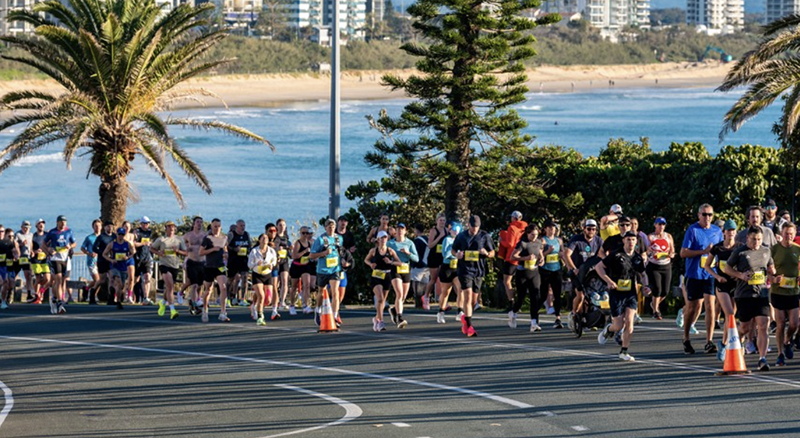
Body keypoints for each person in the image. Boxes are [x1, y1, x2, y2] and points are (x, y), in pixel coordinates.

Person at [723, 226, 775, 371]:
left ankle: (762, 359)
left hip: (761, 294)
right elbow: (727, 268)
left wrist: (773, 275)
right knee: (745, 327)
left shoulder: (766, 251)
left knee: (763, 325)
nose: (756, 242)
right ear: (747, 238)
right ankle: (734, 341)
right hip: (744, 295)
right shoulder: (740, 252)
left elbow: (770, 268)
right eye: (753, 239)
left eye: (759, 239)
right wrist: (740, 275)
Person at [596, 231, 651, 362]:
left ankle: (624, 351)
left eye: (633, 240)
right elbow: (599, 267)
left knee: (630, 321)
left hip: (630, 293)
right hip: (616, 293)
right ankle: (608, 329)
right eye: (628, 240)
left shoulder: (637, 258)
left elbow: (643, 274)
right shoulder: (616, 255)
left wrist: (646, 286)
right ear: (624, 241)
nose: (631, 242)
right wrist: (609, 281)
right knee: (618, 325)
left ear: (636, 242)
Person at [679, 203, 722, 355]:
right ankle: (686, 337)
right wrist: (703, 252)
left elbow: (720, 250)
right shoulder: (693, 230)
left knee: (710, 306)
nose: (707, 217)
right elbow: (683, 253)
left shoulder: (717, 231)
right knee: (693, 307)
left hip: (710, 274)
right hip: (694, 274)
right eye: (704, 214)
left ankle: (709, 341)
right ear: (699, 215)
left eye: (710, 214)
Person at [451, 215, 495, 337]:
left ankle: (466, 319)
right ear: (468, 225)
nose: (475, 229)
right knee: (468, 295)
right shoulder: (461, 236)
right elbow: (453, 250)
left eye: (477, 227)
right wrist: (457, 255)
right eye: (473, 226)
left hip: (478, 270)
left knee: (473, 301)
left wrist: (487, 253)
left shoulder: (485, 236)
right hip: (465, 270)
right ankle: (470, 327)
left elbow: (493, 252)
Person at [704, 219, 739, 358]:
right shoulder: (717, 248)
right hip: (722, 284)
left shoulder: (739, 247)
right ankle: (726, 345)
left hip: (735, 284)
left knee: (732, 317)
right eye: (728, 230)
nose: (731, 233)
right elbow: (707, 265)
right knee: (729, 314)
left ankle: (724, 343)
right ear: (724, 232)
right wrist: (717, 277)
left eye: (733, 230)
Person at [769, 222, 800, 367]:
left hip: (793, 291)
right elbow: (766, 269)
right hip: (778, 291)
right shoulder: (774, 249)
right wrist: (773, 279)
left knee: (794, 324)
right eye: (786, 233)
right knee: (780, 323)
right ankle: (780, 354)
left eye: (791, 234)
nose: (789, 236)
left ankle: (787, 340)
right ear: (782, 233)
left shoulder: (797, 249)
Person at [565, 219, 603, 326]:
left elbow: (603, 254)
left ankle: (592, 317)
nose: (591, 231)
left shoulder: (599, 240)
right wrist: (573, 268)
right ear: (584, 229)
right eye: (589, 229)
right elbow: (567, 254)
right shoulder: (576, 239)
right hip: (577, 271)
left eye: (594, 229)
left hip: (591, 272)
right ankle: (573, 314)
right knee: (580, 295)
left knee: (594, 295)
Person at [510, 224, 544, 331]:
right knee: (521, 297)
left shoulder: (538, 242)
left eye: (536, 235)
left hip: (534, 272)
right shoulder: (523, 243)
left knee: (535, 297)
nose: (534, 237)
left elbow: (540, 253)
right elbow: (512, 257)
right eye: (532, 235)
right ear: (527, 233)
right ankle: (513, 312)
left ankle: (534, 323)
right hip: (522, 273)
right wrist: (526, 258)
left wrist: (542, 259)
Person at [365, 230, 401, 331]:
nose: (383, 239)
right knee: (380, 299)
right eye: (381, 238)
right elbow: (366, 260)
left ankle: (376, 318)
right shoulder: (373, 251)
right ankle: (381, 321)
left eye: (385, 237)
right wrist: (370, 264)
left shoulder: (390, 251)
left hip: (387, 276)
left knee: (383, 301)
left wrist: (390, 262)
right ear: (378, 239)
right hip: (376, 276)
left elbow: (400, 263)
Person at [310, 218, 344, 325]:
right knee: (321, 292)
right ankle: (318, 310)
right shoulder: (320, 240)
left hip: (335, 269)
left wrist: (343, 260)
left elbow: (341, 251)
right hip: (323, 270)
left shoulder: (339, 238)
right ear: (325, 228)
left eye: (333, 227)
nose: (331, 229)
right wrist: (323, 253)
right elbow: (311, 255)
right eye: (329, 227)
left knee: (335, 292)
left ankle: (334, 316)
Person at [152, 221, 187, 320]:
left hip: (175, 266)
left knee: (168, 288)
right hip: (164, 265)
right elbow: (152, 248)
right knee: (170, 286)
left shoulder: (179, 239)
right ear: (166, 228)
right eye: (169, 227)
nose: (171, 229)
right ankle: (172, 310)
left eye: (173, 227)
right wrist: (159, 253)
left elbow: (186, 253)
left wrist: (177, 251)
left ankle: (163, 302)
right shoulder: (161, 239)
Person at [388, 223, 419, 329]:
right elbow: (382, 252)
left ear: (405, 231)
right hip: (395, 269)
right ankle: (400, 318)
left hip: (405, 268)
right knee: (399, 293)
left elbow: (416, 259)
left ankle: (394, 310)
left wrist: (408, 253)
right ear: (395, 231)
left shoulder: (409, 243)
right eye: (398, 229)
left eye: (402, 229)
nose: (400, 231)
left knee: (403, 297)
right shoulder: (390, 243)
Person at [199, 218, 230, 323]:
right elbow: (201, 252)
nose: (217, 228)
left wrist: (226, 255)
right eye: (215, 226)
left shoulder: (224, 238)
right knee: (208, 290)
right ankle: (205, 310)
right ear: (211, 227)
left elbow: (225, 249)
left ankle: (223, 312)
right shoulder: (207, 238)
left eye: (219, 226)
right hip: (209, 266)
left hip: (220, 266)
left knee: (223, 287)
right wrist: (212, 249)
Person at [43, 215, 76, 315]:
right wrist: (48, 250)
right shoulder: (52, 232)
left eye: (65, 222)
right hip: (55, 259)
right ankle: (60, 303)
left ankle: (53, 299)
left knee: (60, 281)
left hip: (65, 258)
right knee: (58, 280)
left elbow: (74, 243)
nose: (63, 224)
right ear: (57, 222)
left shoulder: (69, 231)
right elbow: (43, 244)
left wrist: (70, 246)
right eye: (61, 222)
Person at [498, 211, 528, 313]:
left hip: (511, 258)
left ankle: (512, 303)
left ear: (514, 218)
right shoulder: (525, 228)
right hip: (522, 258)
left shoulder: (512, 228)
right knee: (520, 282)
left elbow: (510, 244)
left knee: (507, 281)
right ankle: (519, 304)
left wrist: (501, 241)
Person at [646, 217, 675, 320]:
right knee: (657, 289)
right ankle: (655, 311)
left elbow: (672, 251)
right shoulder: (651, 237)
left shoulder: (668, 236)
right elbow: (647, 250)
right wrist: (651, 253)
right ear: (655, 225)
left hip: (666, 265)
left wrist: (671, 255)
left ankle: (654, 304)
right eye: (659, 224)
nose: (661, 226)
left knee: (665, 291)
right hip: (654, 266)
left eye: (663, 224)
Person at [103, 227, 135, 310]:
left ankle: (113, 291)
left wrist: (128, 257)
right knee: (119, 282)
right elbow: (104, 254)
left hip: (123, 267)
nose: (120, 236)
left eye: (122, 234)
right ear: (117, 234)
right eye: (119, 234)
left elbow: (133, 252)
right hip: (114, 267)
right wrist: (111, 260)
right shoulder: (112, 244)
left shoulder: (127, 244)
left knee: (121, 286)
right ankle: (118, 302)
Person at [248, 232, 277, 326]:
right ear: (259, 240)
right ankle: (260, 316)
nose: (265, 239)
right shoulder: (254, 251)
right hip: (257, 274)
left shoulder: (271, 251)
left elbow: (274, 260)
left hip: (267, 274)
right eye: (263, 238)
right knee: (261, 295)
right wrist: (256, 264)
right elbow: (249, 265)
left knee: (268, 300)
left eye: (266, 238)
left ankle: (254, 305)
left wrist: (272, 264)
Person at [286, 225, 314, 320]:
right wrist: (305, 251)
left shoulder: (310, 243)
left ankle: (306, 305)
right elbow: (294, 256)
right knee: (294, 286)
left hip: (305, 266)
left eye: (307, 233)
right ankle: (292, 305)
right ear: (300, 233)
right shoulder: (298, 243)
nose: (305, 235)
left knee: (307, 285)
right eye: (303, 233)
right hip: (296, 266)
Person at [540, 219, 564, 328]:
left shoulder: (559, 240)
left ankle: (558, 318)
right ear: (545, 229)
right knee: (543, 294)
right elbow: (539, 255)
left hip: (556, 269)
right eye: (550, 228)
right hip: (545, 270)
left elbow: (562, 253)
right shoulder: (543, 240)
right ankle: (535, 315)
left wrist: (563, 258)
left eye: (554, 228)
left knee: (557, 294)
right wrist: (548, 251)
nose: (552, 230)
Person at [436, 221, 461, 324]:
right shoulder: (447, 240)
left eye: (458, 230)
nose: (456, 232)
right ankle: (441, 312)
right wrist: (455, 254)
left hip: (457, 267)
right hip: (447, 267)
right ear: (450, 230)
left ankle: (460, 311)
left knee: (461, 289)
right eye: (454, 230)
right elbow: (445, 254)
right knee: (446, 292)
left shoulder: (460, 240)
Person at [183, 216, 206, 316]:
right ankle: (194, 305)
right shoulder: (188, 235)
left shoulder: (204, 235)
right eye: (197, 222)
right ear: (193, 224)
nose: (199, 224)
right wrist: (186, 249)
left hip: (202, 262)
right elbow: (182, 245)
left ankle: (195, 300)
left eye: (201, 222)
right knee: (194, 285)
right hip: (191, 262)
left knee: (200, 285)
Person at [226, 219, 251, 307]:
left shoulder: (246, 234)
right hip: (233, 260)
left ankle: (243, 298)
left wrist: (248, 250)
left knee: (245, 278)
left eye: (244, 226)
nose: (243, 227)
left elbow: (250, 246)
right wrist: (234, 249)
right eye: (241, 226)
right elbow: (226, 246)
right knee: (230, 280)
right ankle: (227, 298)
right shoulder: (231, 234)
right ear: (237, 226)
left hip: (243, 260)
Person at [425, 214, 447, 310]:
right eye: (440, 220)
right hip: (434, 257)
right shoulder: (434, 231)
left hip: (443, 257)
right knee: (433, 279)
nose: (442, 222)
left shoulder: (447, 230)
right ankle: (426, 297)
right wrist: (440, 236)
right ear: (437, 221)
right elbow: (430, 245)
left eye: (443, 220)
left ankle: (443, 301)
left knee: (444, 279)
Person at [92, 221, 116, 305]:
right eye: (108, 226)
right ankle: (92, 295)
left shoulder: (114, 236)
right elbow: (94, 248)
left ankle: (111, 298)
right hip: (102, 261)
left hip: (111, 261)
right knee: (102, 280)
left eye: (111, 226)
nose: (110, 228)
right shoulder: (101, 237)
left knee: (112, 278)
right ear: (105, 227)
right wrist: (102, 252)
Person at [133, 217, 154, 305]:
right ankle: (128, 293)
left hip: (147, 258)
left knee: (147, 277)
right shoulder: (137, 232)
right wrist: (143, 243)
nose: (146, 225)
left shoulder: (150, 232)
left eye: (147, 223)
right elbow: (133, 243)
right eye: (144, 223)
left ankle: (146, 297)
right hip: (138, 258)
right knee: (135, 279)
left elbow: (153, 242)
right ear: (141, 224)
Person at [80, 219, 102, 304]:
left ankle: (87, 289)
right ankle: (93, 296)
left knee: (99, 281)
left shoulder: (103, 237)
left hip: (101, 262)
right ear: (93, 227)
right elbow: (82, 248)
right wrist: (89, 253)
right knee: (97, 280)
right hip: (91, 262)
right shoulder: (89, 238)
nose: (97, 227)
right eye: (96, 226)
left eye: (99, 226)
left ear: (101, 227)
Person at [273, 219, 293, 312]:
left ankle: (282, 301)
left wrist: (290, 249)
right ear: (277, 226)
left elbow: (289, 251)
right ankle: (274, 300)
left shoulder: (286, 237)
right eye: (280, 225)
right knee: (275, 283)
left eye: (283, 225)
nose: (282, 227)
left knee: (285, 281)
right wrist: (277, 249)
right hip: (276, 262)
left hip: (284, 260)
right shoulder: (274, 237)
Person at [30, 219, 51, 305]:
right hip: (36, 260)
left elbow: (51, 243)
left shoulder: (47, 235)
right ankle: (37, 296)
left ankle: (41, 290)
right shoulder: (33, 236)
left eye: (43, 224)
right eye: (39, 224)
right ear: (36, 226)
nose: (41, 225)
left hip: (44, 260)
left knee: (48, 279)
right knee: (38, 278)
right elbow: (30, 248)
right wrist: (34, 251)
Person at [411, 223, 430, 309]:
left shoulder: (417, 241)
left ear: (416, 230)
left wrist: (413, 264)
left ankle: (418, 303)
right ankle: (424, 301)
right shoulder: (428, 239)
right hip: (427, 265)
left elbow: (415, 254)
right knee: (425, 283)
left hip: (418, 265)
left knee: (416, 283)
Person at [0, 226, 19, 309]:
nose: (1, 233)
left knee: (6, 282)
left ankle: (3, 301)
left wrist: (16, 255)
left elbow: (14, 250)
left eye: (2, 231)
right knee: (3, 281)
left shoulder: (8, 242)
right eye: (0, 231)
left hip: (5, 266)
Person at [16, 221, 34, 303]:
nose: (26, 229)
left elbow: (31, 243)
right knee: (14, 275)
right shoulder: (18, 234)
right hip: (19, 257)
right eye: (24, 227)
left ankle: (29, 294)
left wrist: (32, 251)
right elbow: (15, 245)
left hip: (27, 257)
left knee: (28, 276)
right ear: (21, 227)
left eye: (27, 227)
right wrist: (21, 245)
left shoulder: (31, 235)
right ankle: (10, 292)